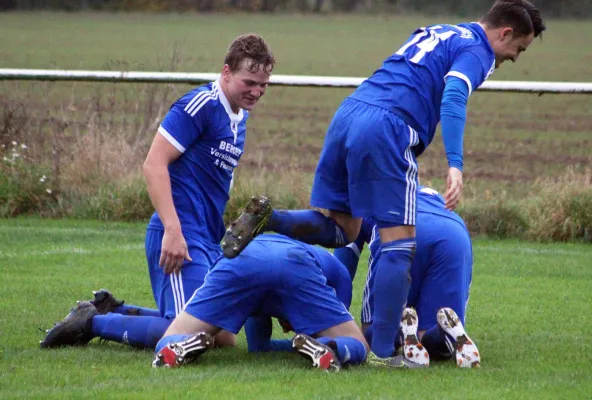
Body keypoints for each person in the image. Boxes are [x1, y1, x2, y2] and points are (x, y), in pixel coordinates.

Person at [221, 0, 545, 366]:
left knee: (344, 228)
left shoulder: (439, 31)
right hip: (388, 127)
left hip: (349, 114)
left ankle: (270, 220)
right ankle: (383, 354)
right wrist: (455, 164)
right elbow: (454, 94)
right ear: (504, 33)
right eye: (516, 50)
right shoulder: (478, 49)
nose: (510, 59)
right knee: (399, 243)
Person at [40, 33, 275, 350]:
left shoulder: (239, 117)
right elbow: (153, 164)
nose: (256, 91)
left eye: (263, 85)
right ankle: (90, 322)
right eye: (249, 82)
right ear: (226, 72)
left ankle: (115, 310)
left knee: (223, 339)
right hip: (180, 234)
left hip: (206, 238)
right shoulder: (199, 106)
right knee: (186, 336)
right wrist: (173, 230)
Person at [152, 234, 375, 372]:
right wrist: (304, 325)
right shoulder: (336, 269)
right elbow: (334, 314)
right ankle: (330, 348)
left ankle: (179, 346)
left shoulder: (270, 250)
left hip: (239, 260)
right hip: (295, 264)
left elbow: (258, 347)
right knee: (358, 345)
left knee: (171, 336)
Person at [333, 186, 479, 368]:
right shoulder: (422, 192)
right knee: (427, 333)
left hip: (399, 228)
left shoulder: (358, 204)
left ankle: (402, 333)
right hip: (454, 233)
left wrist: (335, 319)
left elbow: (340, 270)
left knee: (372, 332)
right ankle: (443, 334)